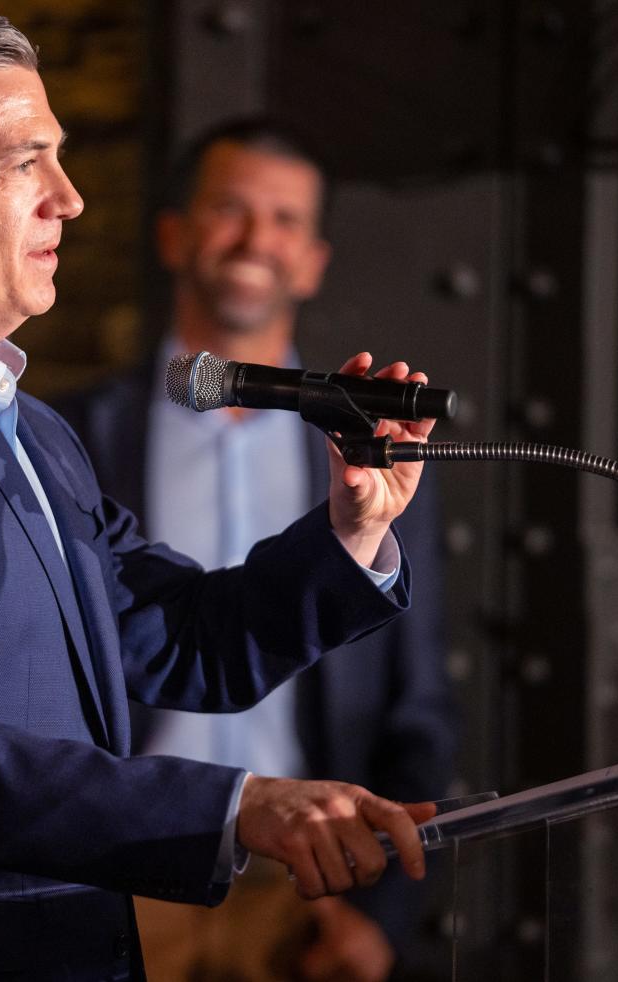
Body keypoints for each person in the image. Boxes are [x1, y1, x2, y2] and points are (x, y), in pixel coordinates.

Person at [0, 6, 439, 981]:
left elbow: (182, 639)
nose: (70, 198)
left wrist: (353, 529)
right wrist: (237, 804)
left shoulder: (27, 428)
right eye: (25, 162)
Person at [59, 119, 456, 981]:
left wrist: (381, 918)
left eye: (283, 220)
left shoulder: (378, 457)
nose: (255, 239)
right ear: (173, 235)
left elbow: (418, 709)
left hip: (306, 892)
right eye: (230, 209)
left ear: (312, 259)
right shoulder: (76, 439)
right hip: (125, 878)